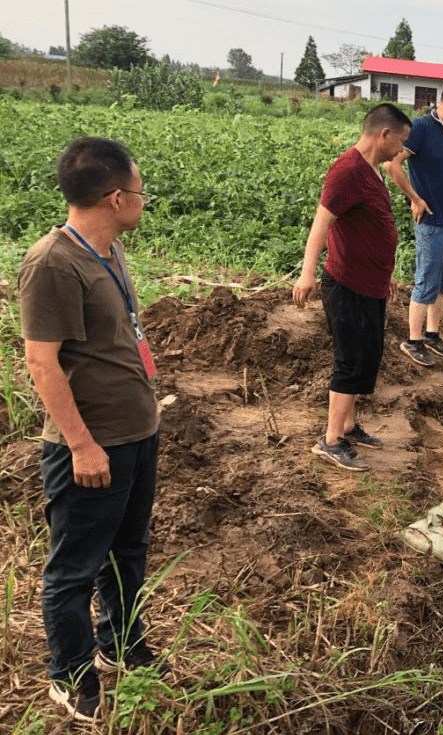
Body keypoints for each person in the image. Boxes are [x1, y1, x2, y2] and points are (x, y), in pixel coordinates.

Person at [19, 138, 163, 722]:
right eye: (138, 191)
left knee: (128, 549)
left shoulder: (107, 249)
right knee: (75, 565)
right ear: (114, 197)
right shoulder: (53, 262)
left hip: (135, 432)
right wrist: (81, 444)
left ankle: (119, 643)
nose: (142, 201)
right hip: (91, 443)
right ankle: (70, 671)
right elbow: (41, 363)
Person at [293, 104, 412, 471]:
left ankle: (348, 425)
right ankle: (330, 440)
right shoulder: (347, 170)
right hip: (346, 285)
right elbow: (321, 223)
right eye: (401, 143)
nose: (402, 152)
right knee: (350, 359)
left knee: (366, 356)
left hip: (371, 284)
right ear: (384, 135)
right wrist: (307, 274)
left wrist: (384, 272)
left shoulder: (373, 171)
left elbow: (368, 228)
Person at [387, 77, 443, 366]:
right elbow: (392, 164)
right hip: (432, 221)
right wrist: (415, 198)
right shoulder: (422, 129)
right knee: (426, 280)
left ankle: (432, 333)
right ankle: (412, 340)